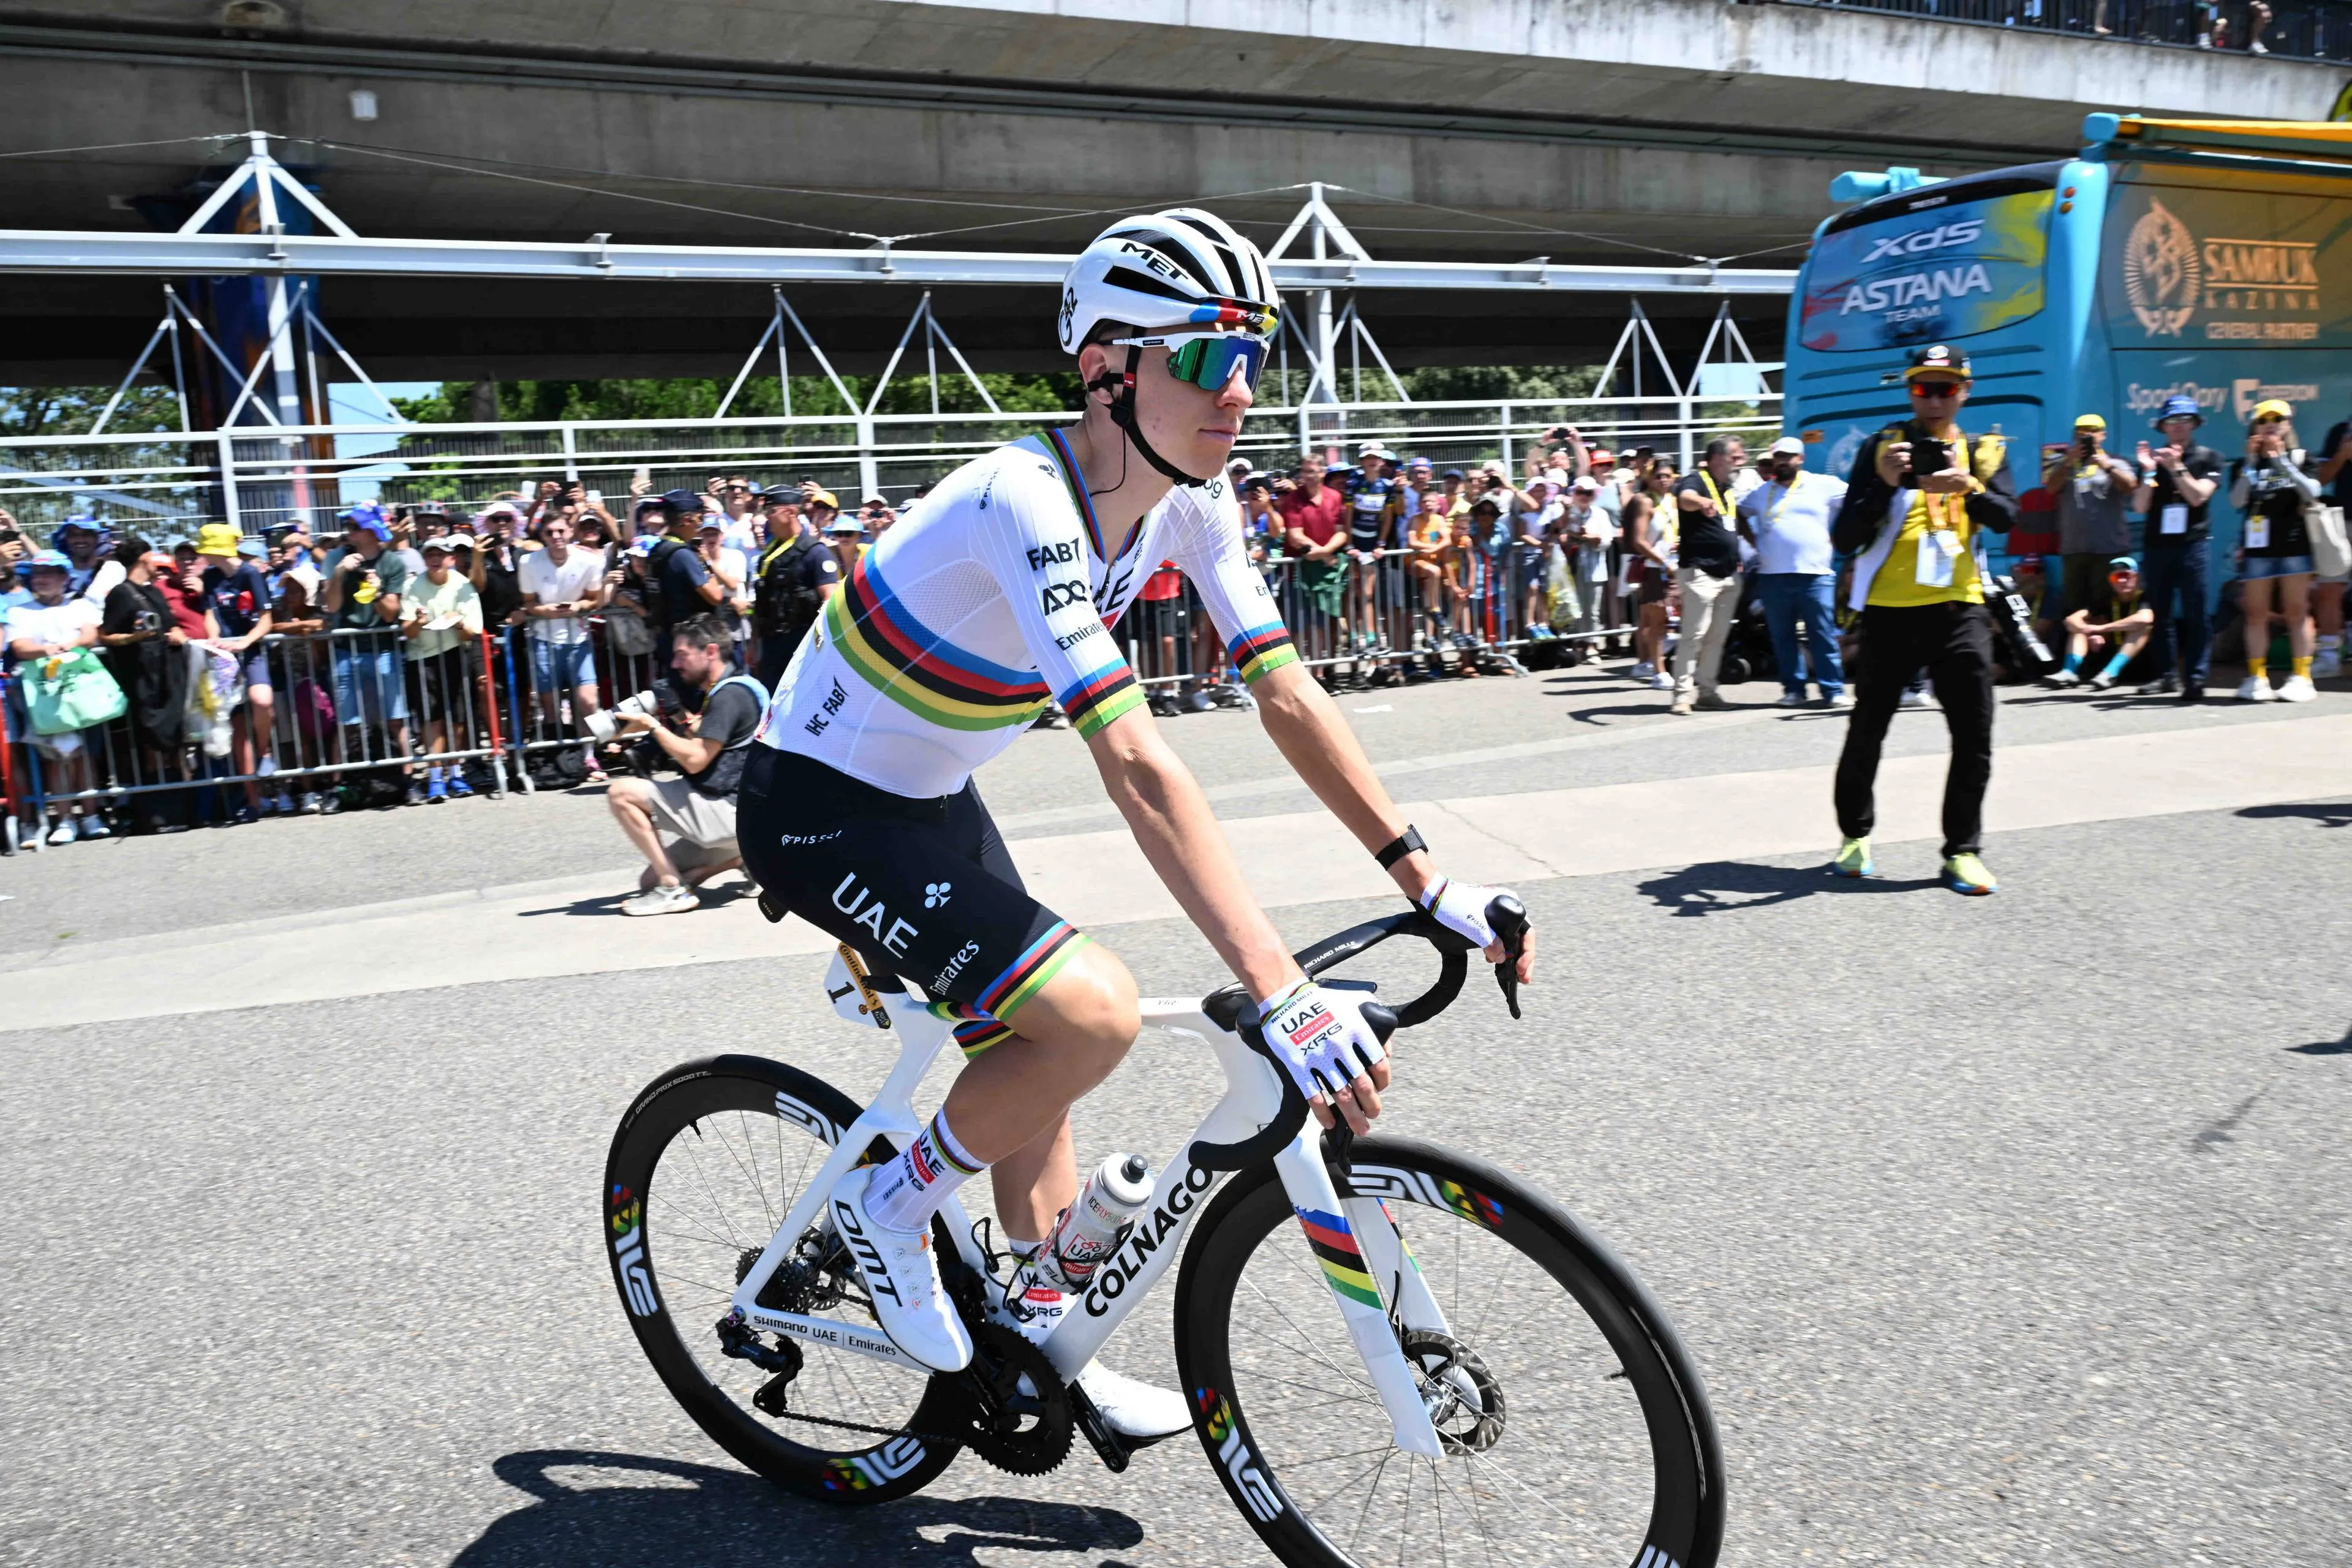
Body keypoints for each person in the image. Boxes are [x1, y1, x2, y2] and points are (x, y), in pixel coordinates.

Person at [735, 209, 1534, 1436]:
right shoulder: (1021, 497)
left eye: (1259, 354)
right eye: (1212, 357)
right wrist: (1276, 986)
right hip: (819, 807)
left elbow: (1285, 688)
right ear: (1109, 367)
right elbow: (1138, 761)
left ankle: (1032, 1329)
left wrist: (1427, 881)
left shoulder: (1189, 503)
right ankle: (883, 1209)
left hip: (933, 795)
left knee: (1039, 1040)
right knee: (1087, 1011)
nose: (1245, 390)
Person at [1829, 344, 2019, 894]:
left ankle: (1962, 850)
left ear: (1965, 391)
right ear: (1910, 392)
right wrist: (1882, 486)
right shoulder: (1882, 447)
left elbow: (2008, 517)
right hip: (1889, 612)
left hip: (1960, 610)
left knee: (1974, 734)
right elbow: (1843, 538)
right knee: (1868, 728)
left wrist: (1970, 488)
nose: (1934, 399)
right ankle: (1854, 837)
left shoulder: (1982, 451)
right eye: (1922, 388)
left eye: (1946, 387)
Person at [606, 615, 760, 915]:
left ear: (711, 651)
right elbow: (707, 737)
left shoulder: (729, 696)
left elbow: (695, 759)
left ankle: (674, 890)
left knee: (621, 793)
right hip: (747, 817)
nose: (675, 664)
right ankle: (746, 860)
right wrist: (676, 713)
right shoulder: (740, 686)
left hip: (728, 811)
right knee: (647, 882)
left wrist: (652, 726)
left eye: (682, 655)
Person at [1737, 435, 1849, 708]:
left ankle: (1833, 691)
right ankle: (1794, 690)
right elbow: (1737, 512)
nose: (1783, 461)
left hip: (1816, 575)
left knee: (1822, 634)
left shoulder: (1823, 485)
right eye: (1778, 457)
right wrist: (1754, 541)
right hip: (1773, 576)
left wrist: (1841, 538)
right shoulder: (1762, 493)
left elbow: (1857, 502)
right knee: (1782, 636)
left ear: (1801, 459)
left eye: (1788, 456)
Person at [6, 549, 106, 842]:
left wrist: (69, 646)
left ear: (64, 577)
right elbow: (21, 647)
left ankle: (91, 817)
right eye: (37, 574)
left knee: (83, 754)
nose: (42, 579)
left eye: (49, 573)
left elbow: (89, 635)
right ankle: (65, 821)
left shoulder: (80, 606)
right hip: (42, 692)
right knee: (56, 755)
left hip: (80, 688)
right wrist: (47, 650)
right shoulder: (19, 611)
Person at [2129, 394, 2223, 700]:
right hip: (2157, 546)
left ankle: (2196, 678)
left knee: (2197, 613)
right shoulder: (2152, 464)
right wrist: (2149, 471)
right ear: (2163, 427)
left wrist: (2178, 467)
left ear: (2194, 424)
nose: (2178, 427)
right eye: (2172, 422)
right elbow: (2140, 507)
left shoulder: (2209, 458)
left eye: (2184, 421)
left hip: (2193, 545)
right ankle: (2165, 675)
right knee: (2160, 614)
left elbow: (2198, 497)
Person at [2228, 398, 2321, 702]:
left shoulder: (2302, 456)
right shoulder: (2248, 463)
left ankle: (2302, 676)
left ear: (2287, 425)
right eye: (2264, 420)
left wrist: (2282, 463)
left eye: (2277, 419)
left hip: (2295, 545)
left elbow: (2312, 493)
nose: (2270, 424)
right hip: (2258, 550)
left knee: (2297, 612)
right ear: (2254, 427)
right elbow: (2237, 501)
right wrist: (2251, 464)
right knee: (2256, 613)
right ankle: (2257, 677)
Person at [194, 523, 278, 821]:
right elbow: (210, 614)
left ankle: (266, 752)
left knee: (262, 700)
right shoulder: (210, 576)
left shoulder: (250, 574)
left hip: (250, 651)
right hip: (223, 658)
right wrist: (214, 638)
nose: (201, 556)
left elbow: (266, 619)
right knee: (239, 733)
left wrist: (245, 642)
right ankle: (253, 802)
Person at [518, 513, 610, 778]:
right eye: (549, 533)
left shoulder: (589, 561)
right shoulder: (529, 562)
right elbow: (529, 602)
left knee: (588, 702)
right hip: (543, 637)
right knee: (551, 706)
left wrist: (578, 606)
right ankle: (558, 760)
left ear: (570, 532)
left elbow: (593, 599)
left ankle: (590, 757)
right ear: (542, 536)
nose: (556, 537)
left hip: (578, 638)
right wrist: (544, 611)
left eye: (560, 531)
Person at [322, 505, 413, 771]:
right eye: (348, 526)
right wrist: (340, 572)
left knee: (396, 719)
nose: (348, 532)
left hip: (383, 650)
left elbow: (390, 614)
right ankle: (338, 787)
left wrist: (376, 590)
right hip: (345, 651)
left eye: (354, 527)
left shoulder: (392, 563)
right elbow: (333, 607)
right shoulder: (336, 557)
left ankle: (408, 779)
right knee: (346, 723)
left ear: (372, 531)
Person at [399, 536, 484, 804]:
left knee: (458, 719)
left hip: (454, 654)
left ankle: (456, 773)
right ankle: (436, 777)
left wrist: (459, 624)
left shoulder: (463, 584)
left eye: (440, 554)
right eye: (430, 555)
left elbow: (472, 632)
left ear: (451, 559)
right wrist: (419, 621)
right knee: (432, 719)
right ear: (424, 560)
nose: (435, 559)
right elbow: (408, 631)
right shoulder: (412, 585)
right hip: (422, 657)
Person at [1666, 437, 1748, 714]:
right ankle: (1681, 696)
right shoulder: (1697, 481)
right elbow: (1684, 499)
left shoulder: (1727, 489)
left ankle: (1708, 692)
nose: (1742, 461)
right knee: (1694, 636)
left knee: (1717, 638)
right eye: (1736, 457)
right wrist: (1701, 501)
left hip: (1728, 575)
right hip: (1700, 572)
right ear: (1716, 459)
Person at [2041, 414, 2138, 637]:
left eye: (2093, 430)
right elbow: (2051, 489)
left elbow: (2130, 486)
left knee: (2105, 608)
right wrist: (2067, 463)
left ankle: (2104, 661)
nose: (2086, 434)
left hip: (2109, 548)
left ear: (2103, 435)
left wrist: (2105, 466)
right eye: (2081, 431)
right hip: (2074, 549)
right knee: (2075, 609)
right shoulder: (2062, 462)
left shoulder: (2116, 461)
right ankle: (2078, 663)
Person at [1276, 453, 1348, 669]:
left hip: (1328, 570)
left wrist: (1326, 551)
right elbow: (1295, 536)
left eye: (1313, 471)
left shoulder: (1335, 497)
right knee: (1298, 626)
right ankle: (1299, 674)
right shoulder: (1293, 500)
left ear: (1323, 473)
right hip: (1300, 572)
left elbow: (1342, 533)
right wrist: (1324, 554)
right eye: (1305, 471)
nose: (1308, 475)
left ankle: (1322, 673)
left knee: (1326, 623)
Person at [2053, 555, 2153, 691]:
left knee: (2143, 627)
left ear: (2137, 577)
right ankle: (2069, 672)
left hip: (2142, 662)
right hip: (2105, 664)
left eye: (2126, 575)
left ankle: (2111, 673)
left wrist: (2102, 629)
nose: (2122, 581)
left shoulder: (2146, 597)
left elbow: (2144, 619)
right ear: (2111, 582)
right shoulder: (2107, 599)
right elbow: (2071, 620)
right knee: (2077, 628)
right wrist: (2088, 631)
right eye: (2116, 577)